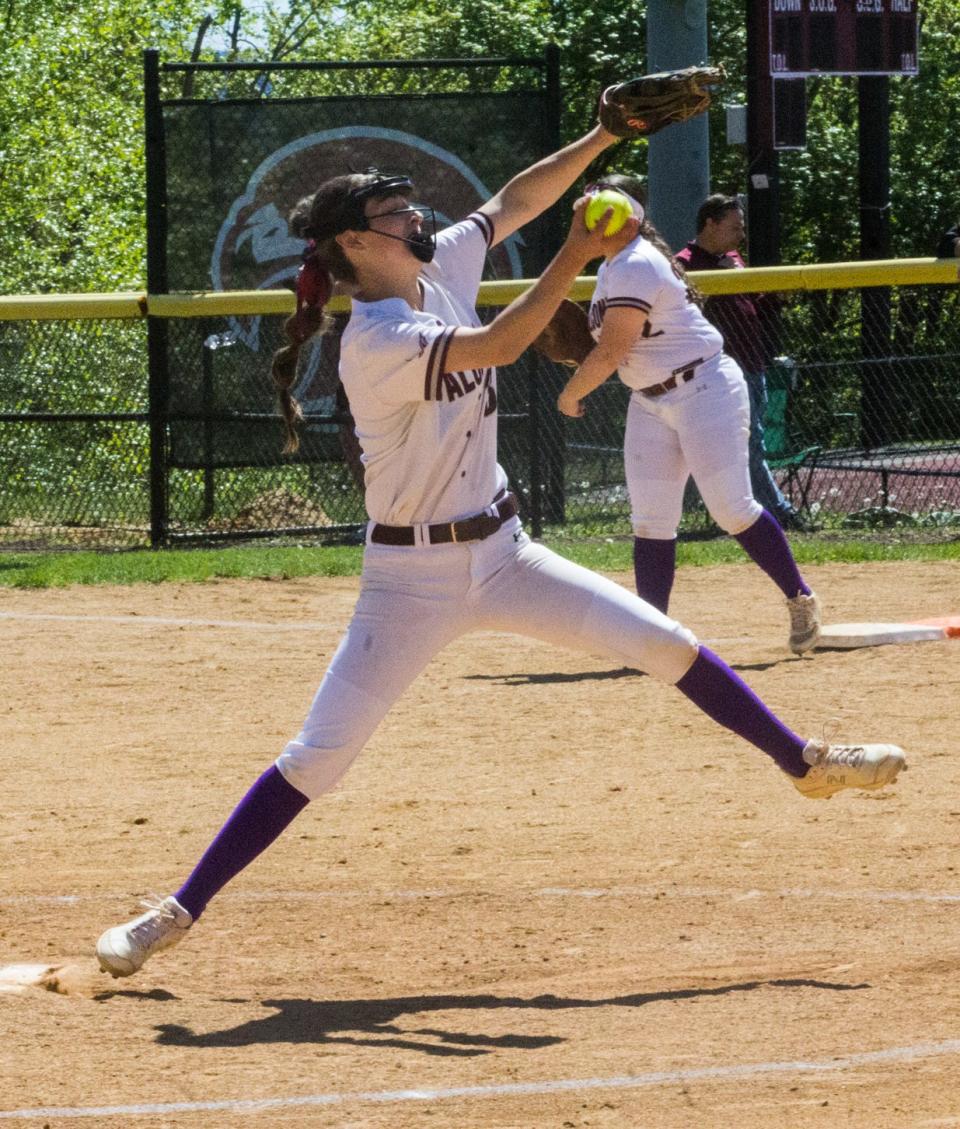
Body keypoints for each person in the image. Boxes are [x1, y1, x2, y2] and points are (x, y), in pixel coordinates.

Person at [95, 134, 906, 980]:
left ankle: (803, 762)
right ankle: (175, 911)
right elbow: (497, 347)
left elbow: (515, 199)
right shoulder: (375, 336)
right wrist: (576, 254)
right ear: (357, 245)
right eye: (393, 211)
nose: (415, 214)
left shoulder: (435, 266)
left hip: (507, 552)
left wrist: (606, 134)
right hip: (408, 584)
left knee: (665, 641)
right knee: (317, 758)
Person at [557, 174, 821, 649]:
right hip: (649, 400)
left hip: (704, 390)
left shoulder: (636, 264)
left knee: (732, 510)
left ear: (624, 217)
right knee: (651, 521)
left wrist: (572, 391)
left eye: (598, 208)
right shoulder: (611, 268)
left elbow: (614, 349)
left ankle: (799, 597)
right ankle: (652, 633)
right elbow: (619, 344)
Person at [674, 194, 810, 532]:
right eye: (734, 227)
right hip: (713, 372)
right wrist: (717, 280)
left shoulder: (733, 258)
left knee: (750, 445)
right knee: (743, 447)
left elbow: (752, 308)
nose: (741, 235)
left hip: (752, 364)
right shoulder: (683, 264)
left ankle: (744, 516)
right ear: (710, 223)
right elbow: (683, 321)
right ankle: (774, 513)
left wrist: (774, 298)